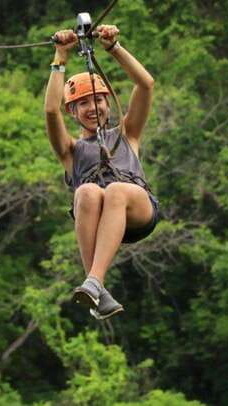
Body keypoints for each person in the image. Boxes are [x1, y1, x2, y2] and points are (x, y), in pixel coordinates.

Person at [44, 24, 160, 320]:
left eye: (97, 100)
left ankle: (94, 282)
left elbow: (146, 84)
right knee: (86, 191)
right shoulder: (70, 151)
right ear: (72, 111)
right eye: (82, 103)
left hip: (137, 210)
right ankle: (98, 290)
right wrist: (60, 57)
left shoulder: (127, 133)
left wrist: (113, 47)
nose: (92, 107)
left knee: (116, 191)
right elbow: (51, 111)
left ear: (107, 102)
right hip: (100, 220)